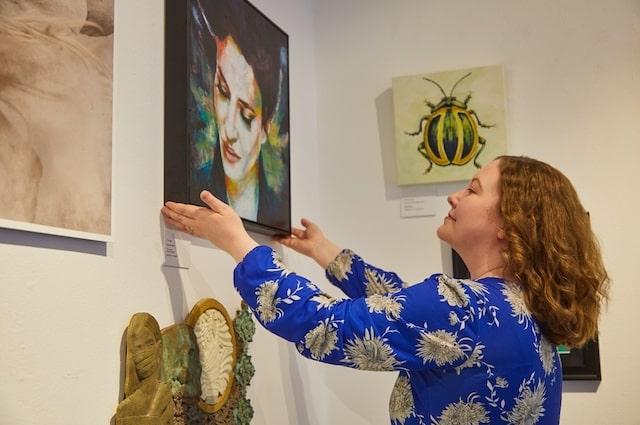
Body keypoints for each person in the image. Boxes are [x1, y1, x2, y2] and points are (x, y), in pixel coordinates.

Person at [161, 156, 609, 424]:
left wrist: (240, 245)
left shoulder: (463, 310)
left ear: (509, 227)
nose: (455, 197)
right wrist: (326, 254)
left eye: (472, 189)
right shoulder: (521, 309)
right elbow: (406, 304)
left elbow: (322, 326)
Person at [190, 0, 289, 231]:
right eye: (223, 92)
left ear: (265, 128)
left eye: (246, 115)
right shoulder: (196, 189)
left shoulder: (276, 213)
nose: (230, 131)